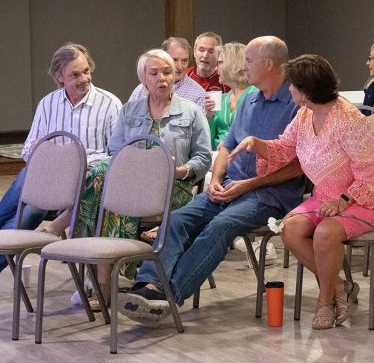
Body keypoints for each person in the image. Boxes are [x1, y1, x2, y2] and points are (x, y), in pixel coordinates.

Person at [118, 36, 306, 322]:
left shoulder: (296, 103)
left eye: (249, 61)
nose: (244, 66)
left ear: (269, 64)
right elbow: (226, 147)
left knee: (220, 226)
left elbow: (300, 166)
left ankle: (168, 296)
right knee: (177, 219)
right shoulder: (249, 100)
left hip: (270, 195)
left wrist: (249, 184)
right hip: (230, 186)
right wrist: (217, 179)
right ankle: (147, 286)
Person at [231, 54, 374, 329]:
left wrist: (342, 202)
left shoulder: (349, 119)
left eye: (292, 85)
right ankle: (340, 287)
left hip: (366, 199)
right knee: (288, 229)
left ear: (306, 92)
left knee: (325, 232)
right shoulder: (305, 114)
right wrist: (256, 143)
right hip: (325, 198)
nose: (289, 89)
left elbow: (371, 171)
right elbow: (284, 148)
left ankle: (325, 299)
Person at [40, 49, 211, 311]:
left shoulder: (191, 112)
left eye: (167, 72)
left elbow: (203, 157)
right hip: (132, 183)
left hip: (173, 187)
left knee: (106, 196)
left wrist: (183, 170)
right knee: (102, 183)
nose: (162, 78)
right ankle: (100, 275)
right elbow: (115, 151)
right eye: (154, 73)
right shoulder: (130, 111)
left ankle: (97, 276)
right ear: (143, 78)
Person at [0, 43, 122, 313]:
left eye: (86, 71)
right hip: (47, 179)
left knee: (27, 213)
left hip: (83, 185)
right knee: (28, 193)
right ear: (59, 76)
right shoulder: (48, 103)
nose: (84, 79)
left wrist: (74, 161)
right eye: (75, 74)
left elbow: (116, 157)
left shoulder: (109, 104)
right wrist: (39, 150)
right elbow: (28, 149)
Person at [129, 37, 207, 107]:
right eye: (174, 60)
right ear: (163, 58)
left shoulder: (198, 94)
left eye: (184, 61)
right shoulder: (140, 90)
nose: (179, 67)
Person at [208, 42, 256, 149]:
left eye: (220, 63)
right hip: (217, 157)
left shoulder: (256, 94)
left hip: (243, 156)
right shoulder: (222, 98)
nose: (216, 69)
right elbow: (209, 141)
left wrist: (228, 145)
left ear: (234, 63)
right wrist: (209, 117)